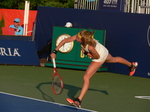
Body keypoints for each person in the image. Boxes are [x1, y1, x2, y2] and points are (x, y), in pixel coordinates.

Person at [50, 30, 138, 108]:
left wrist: (86, 53)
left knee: (86, 77)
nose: (76, 38)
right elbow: (65, 40)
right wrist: (55, 51)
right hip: (103, 50)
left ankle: (78, 101)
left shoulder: (90, 47)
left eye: (78, 38)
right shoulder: (80, 36)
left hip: (99, 55)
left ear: (83, 40)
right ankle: (132, 65)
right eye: (77, 36)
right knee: (114, 59)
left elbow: (96, 56)